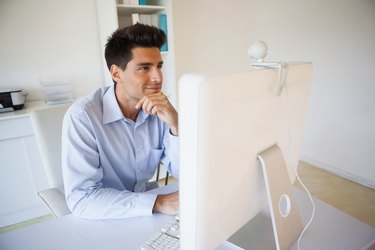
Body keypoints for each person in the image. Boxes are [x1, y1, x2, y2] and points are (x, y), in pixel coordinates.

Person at [61, 23, 179, 219]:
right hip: (103, 215)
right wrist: (160, 202)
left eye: (159, 66)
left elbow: (187, 171)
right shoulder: (83, 117)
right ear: (116, 73)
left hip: (145, 210)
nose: (158, 77)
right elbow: (82, 199)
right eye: (144, 68)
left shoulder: (160, 109)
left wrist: (177, 125)